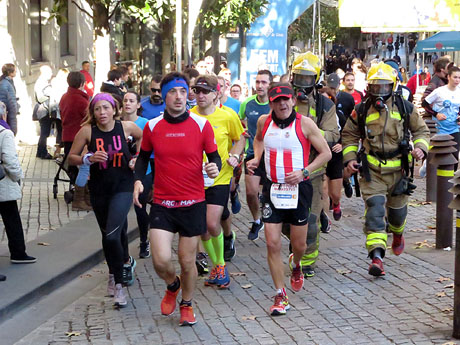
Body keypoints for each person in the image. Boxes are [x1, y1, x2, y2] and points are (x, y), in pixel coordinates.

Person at [133, 72, 221, 326]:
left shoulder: (201, 125)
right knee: (160, 260)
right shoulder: (152, 126)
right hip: (163, 202)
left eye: (184, 91)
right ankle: (173, 285)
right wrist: (138, 180)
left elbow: (214, 157)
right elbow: (142, 158)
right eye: (173, 92)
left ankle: (187, 303)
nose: (180, 97)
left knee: (186, 261)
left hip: (193, 203)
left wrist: (214, 167)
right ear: (164, 95)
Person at [246, 83, 331, 315]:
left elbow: (326, 153)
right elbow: (259, 140)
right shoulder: (265, 121)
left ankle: (296, 264)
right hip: (272, 189)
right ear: (271, 103)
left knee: (299, 244)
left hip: (299, 190)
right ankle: (280, 295)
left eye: (286, 99)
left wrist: (304, 172)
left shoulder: (304, 124)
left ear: (293, 100)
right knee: (272, 243)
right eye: (276, 100)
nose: (282, 104)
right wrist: (257, 158)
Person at [342, 62, 430, 277]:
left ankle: (398, 234)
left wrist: (420, 148)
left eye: (384, 87)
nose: (379, 92)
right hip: (372, 172)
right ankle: (377, 258)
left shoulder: (404, 107)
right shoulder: (361, 109)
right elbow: (350, 135)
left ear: (393, 86)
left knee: (397, 216)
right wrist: (351, 158)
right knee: (375, 211)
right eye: (375, 87)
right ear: (369, 88)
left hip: (399, 172)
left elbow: (421, 131)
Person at [68, 93, 142, 307]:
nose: (102, 113)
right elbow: (71, 157)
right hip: (99, 189)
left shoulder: (126, 127)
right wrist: (87, 158)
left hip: (123, 187)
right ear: (93, 112)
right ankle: (114, 271)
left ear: (114, 109)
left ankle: (119, 286)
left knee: (111, 236)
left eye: (106, 108)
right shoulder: (87, 132)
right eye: (97, 109)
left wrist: (136, 157)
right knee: (109, 233)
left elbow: (144, 138)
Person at [191, 75, 245, 288]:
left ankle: (220, 265)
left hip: (220, 177)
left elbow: (240, 138)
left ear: (216, 94)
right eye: (197, 91)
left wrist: (235, 155)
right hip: (195, 179)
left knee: (212, 222)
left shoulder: (227, 116)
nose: (201, 95)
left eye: (205, 91)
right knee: (202, 227)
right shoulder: (189, 116)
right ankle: (216, 267)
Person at [289, 52, 339, 278]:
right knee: (281, 220)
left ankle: (306, 262)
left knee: (309, 221)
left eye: (308, 79)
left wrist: (309, 133)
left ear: (316, 80)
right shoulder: (283, 98)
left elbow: (333, 133)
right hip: (284, 171)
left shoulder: (323, 104)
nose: (303, 84)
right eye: (300, 78)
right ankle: (296, 247)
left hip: (313, 172)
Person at [0, 101, 37, 265]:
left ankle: (18, 252)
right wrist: (18, 177)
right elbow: (10, 161)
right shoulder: (4, 133)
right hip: (3, 183)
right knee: (12, 219)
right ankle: (18, 252)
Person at [239, 70, 272, 240]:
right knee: (251, 192)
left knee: (269, 193)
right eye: (257, 82)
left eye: (264, 82)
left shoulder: (275, 103)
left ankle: (272, 220)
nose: (260, 85)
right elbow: (239, 120)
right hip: (252, 154)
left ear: (270, 85)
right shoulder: (247, 103)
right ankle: (257, 219)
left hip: (272, 156)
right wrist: (243, 132)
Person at [121, 91, 152, 258]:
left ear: (138, 105)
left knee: (140, 208)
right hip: (123, 173)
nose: (128, 103)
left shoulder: (145, 123)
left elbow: (148, 148)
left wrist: (138, 160)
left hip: (143, 171)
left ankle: (143, 241)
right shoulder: (117, 124)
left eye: (131, 100)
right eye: (125, 100)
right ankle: (123, 245)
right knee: (122, 208)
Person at [324, 73, 355, 219]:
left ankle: (336, 202)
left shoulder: (338, 115)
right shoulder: (313, 116)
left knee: (335, 193)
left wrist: (341, 144)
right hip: (319, 155)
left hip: (335, 155)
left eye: (329, 99)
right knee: (323, 188)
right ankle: (322, 217)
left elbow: (350, 132)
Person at [59, 71, 91, 211]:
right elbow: (88, 118)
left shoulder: (64, 97)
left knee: (74, 168)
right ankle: (81, 198)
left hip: (67, 136)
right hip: (79, 138)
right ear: (82, 84)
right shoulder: (81, 100)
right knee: (84, 167)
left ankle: (79, 195)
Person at [423, 66, 460, 169]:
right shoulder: (439, 91)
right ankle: (427, 170)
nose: (457, 80)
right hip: (439, 128)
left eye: (459, 77)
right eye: (455, 77)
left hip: (454, 128)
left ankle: (450, 181)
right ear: (448, 77)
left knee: (454, 156)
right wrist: (436, 114)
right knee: (440, 157)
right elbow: (424, 103)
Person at [34, 65, 54, 159]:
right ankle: (42, 152)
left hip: (45, 109)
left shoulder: (44, 82)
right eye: (50, 73)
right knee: (44, 133)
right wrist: (51, 96)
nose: (51, 74)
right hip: (43, 110)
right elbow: (40, 98)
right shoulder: (41, 82)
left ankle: (40, 151)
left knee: (45, 132)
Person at [0, 63, 19, 135]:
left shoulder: (9, 81)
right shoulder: (4, 83)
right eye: (15, 71)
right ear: (10, 72)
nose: (16, 72)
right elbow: (3, 99)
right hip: (7, 114)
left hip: (11, 112)